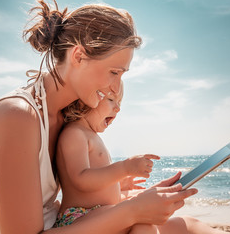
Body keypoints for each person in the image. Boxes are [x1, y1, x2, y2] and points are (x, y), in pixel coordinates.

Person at [0, 0, 229, 233]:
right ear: (78, 55)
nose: (115, 87)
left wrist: (117, 190)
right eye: (114, 72)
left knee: (187, 226)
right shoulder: (18, 117)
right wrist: (133, 209)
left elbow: (68, 188)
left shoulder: (60, 115)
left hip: (60, 224)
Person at [55, 83, 160, 233]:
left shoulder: (90, 135)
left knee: (145, 224)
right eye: (111, 100)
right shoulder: (75, 133)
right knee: (143, 222)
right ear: (84, 100)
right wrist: (125, 168)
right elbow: (80, 178)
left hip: (94, 215)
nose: (118, 108)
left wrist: (118, 184)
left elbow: (96, 178)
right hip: (78, 217)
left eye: (119, 103)